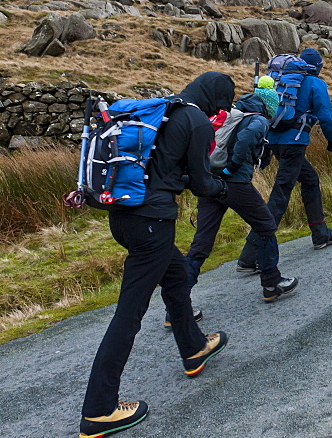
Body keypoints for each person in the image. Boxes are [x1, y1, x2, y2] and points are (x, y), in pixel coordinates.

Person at [79, 72, 234, 438]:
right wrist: (225, 186)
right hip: (153, 223)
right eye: (223, 106)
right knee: (129, 314)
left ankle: (194, 348)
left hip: (124, 217)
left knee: (177, 275)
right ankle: (99, 410)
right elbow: (201, 183)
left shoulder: (162, 111)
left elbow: (158, 168)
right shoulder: (196, 121)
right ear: (216, 99)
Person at [184, 88, 299, 302]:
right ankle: (272, 282)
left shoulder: (231, 114)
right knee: (265, 225)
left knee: (201, 242)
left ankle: (177, 303)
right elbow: (246, 139)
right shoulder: (259, 120)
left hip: (210, 183)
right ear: (269, 106)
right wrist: (233, 167)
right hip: (235, 184)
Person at [237, 48, 332, 270]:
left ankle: (320, 232)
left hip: (273, 139)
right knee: (281, 193)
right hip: (294, 142)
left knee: (310, 179)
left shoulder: (278, 80)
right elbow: (325, 116)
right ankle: (251, 255)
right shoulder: (314, 83)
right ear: (318, 67)